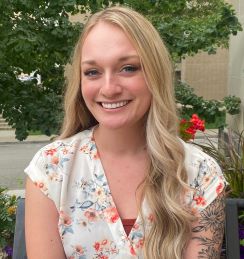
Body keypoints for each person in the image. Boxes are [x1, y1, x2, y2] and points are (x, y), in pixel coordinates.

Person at [24, 6, 226, 259]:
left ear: (155, 74)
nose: (109, 88)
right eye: (93, 72)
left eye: (128, 68)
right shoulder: (52, 168)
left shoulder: (200, 173)